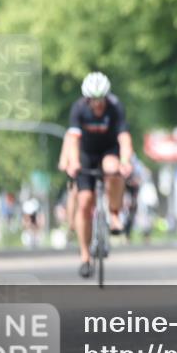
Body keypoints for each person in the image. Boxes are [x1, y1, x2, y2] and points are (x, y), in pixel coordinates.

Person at [64, 72, 134, 278]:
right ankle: (85, 256)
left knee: (113, 170)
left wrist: (125, 161)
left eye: (101, 99)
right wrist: (73, 162)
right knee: (85, 202)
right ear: (87, 99)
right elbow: (73, 139)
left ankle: (114, 214)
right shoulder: (78, 109)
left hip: (108, 150)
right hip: (86, 154)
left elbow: (124, 138)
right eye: (93, 100)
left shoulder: (115, 107)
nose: (97, 104)